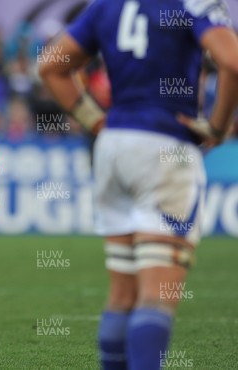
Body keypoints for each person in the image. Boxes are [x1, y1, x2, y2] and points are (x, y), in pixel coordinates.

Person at [39, 1, 238, 369]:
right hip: (165, 145)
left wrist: (94, 121)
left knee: (122, 295)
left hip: (114, 146)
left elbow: (51, 64)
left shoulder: (106, 4)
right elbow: (232, 61)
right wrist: (219, 127)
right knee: (156, 298)